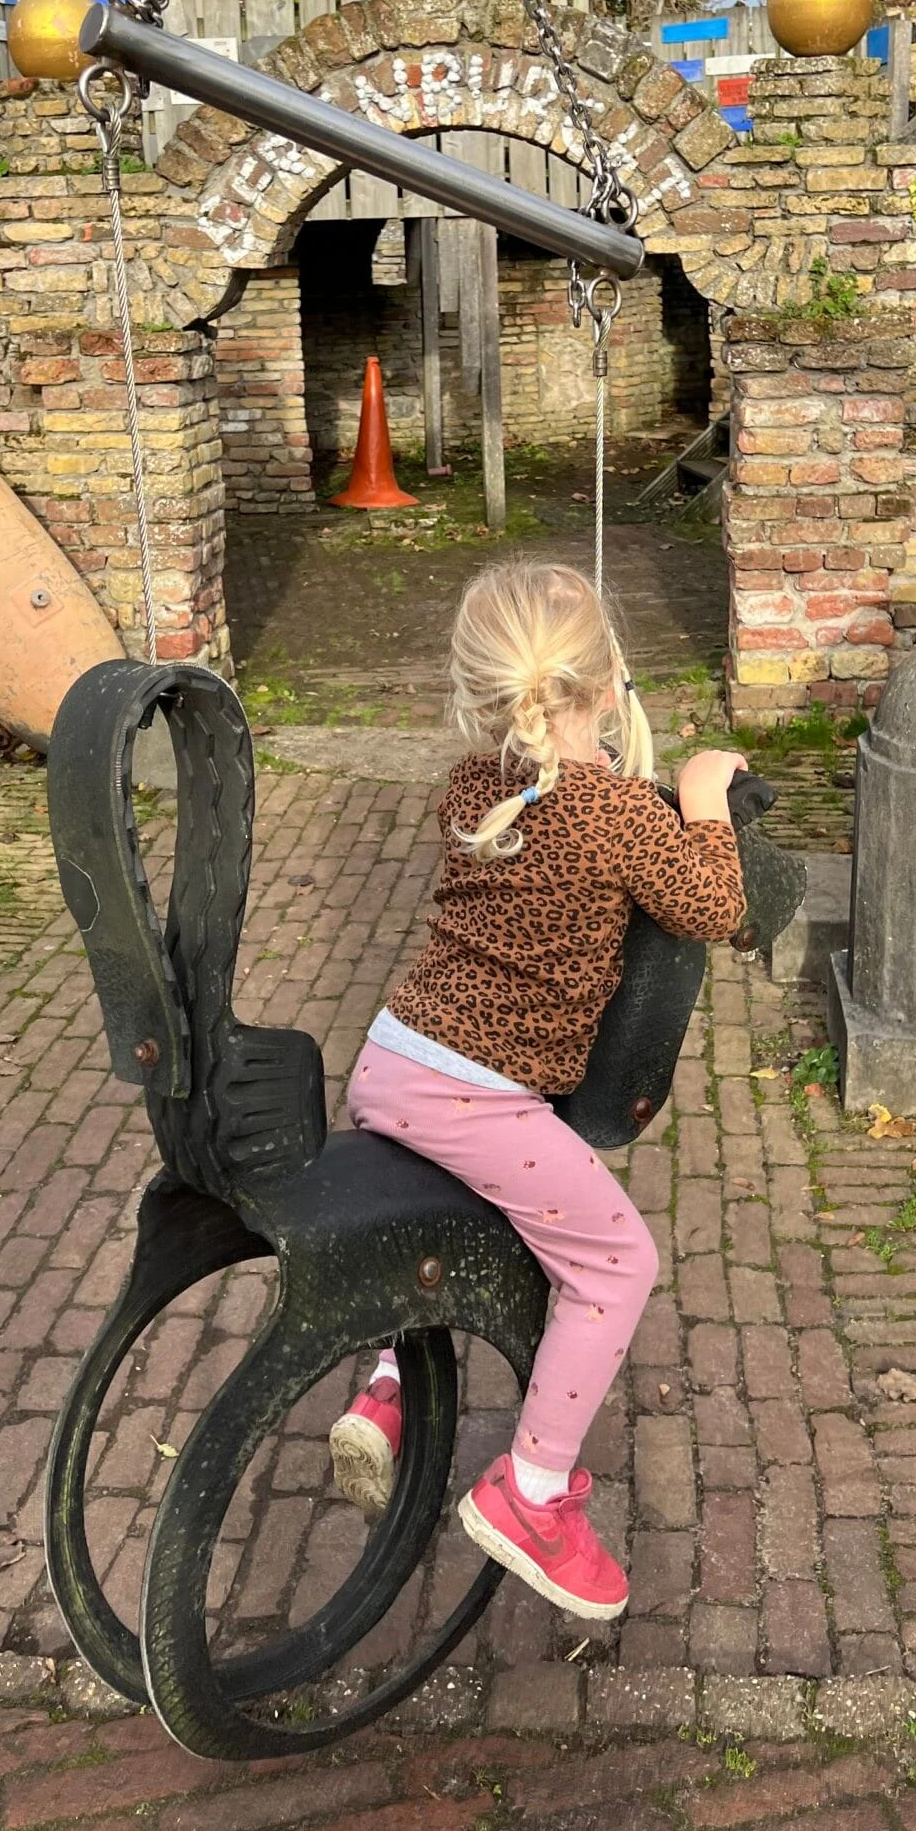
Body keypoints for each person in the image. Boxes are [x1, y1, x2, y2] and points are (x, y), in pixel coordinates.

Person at [327, 559, 748, 1620]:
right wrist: (701, 799)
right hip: (482, 1097)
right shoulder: (615, 810)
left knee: (438, 1219)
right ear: (606, 686)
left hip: (392, 1063)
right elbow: (710, 905)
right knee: (615, 1262)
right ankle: (534, 1490)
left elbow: (542, 821)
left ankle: (386, 1392)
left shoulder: (473, 788)